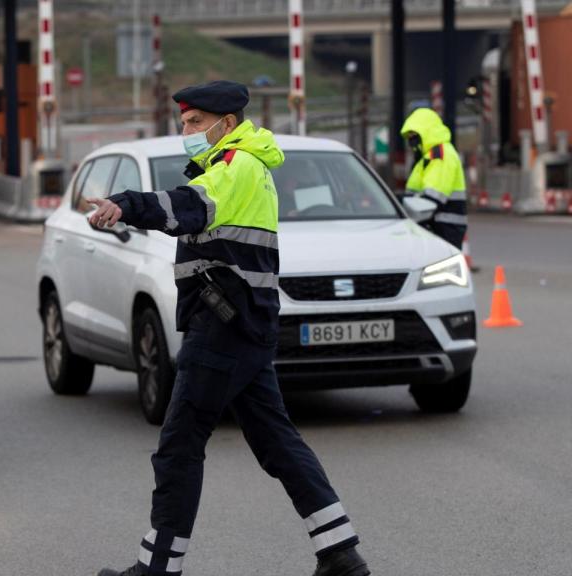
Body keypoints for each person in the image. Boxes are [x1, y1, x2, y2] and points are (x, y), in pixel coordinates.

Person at [87, 80, 370, 576]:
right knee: (276, 442)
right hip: (245, 325)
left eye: (195, 122)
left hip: (221, 326)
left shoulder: (235, 167)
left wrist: (125, 204)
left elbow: (186, 207)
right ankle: (340, 551)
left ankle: (157, 568)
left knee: (179, 444)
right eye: (183, 123)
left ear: (228, 124)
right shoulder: (246, 167)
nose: (187, 131)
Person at [400, 108, 467, 248]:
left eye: (414, 136)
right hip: (438, 228)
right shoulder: (427, 157)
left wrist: (401, 211)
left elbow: (431, 199)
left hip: (442, 230)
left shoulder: (439, 156)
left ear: (425, 133)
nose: (412, 142)